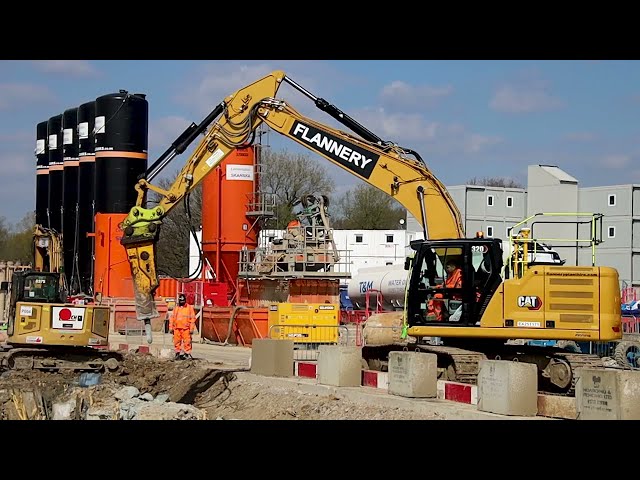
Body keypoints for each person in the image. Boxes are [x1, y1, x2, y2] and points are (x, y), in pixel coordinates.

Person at [169, 293, 196, 360]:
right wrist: (171, 327)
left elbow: (192, 319)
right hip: (177, 328)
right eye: (180, 301)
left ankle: (187, 354)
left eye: (183, 301)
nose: (181, 302)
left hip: (186, 329)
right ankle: (177, 354)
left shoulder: (189, 308)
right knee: (176, 342)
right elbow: (172, 318)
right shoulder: (176, 308)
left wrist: (191, 329)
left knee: (187, 342)